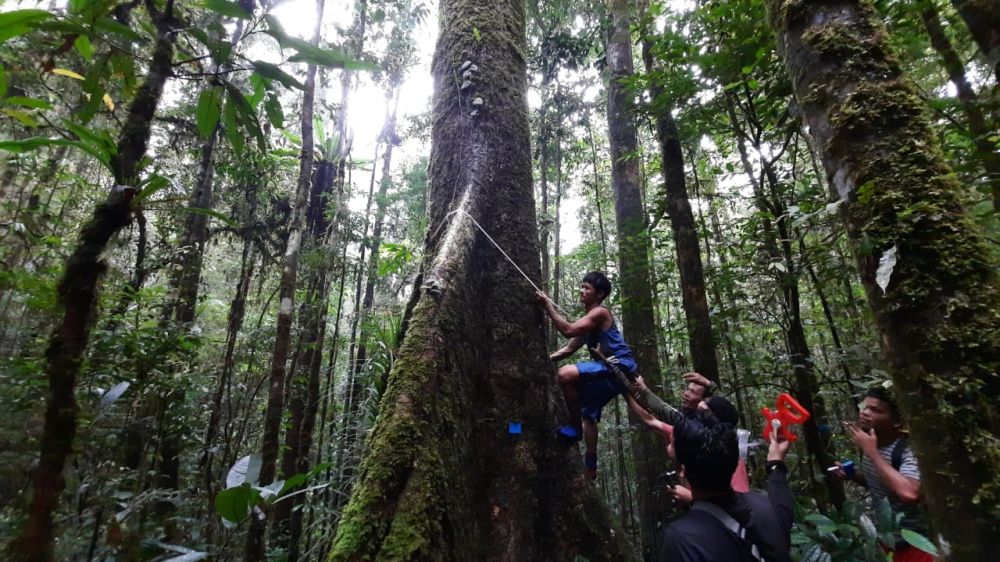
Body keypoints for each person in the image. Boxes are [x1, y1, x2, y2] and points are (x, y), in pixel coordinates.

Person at [536, 271, 636, 478]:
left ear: (599, 294)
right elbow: (568, 349)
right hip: (608, 372)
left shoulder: (600, 313)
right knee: (588, 416)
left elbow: (568, 330)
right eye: (581, 286)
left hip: (619, 366)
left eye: (586, 288)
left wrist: (547, 306)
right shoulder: (589, 321)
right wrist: (544, 361)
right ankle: (591, 465)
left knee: (565, 374)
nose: (581, 291)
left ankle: (574, 426)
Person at [660, 411, 794, 562]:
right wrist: (776, 463)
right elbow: (782, 504)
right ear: (734, 462)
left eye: (672, 443)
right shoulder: (767, 509)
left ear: (683, 471)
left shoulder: (680, 539)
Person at [830, 387, 933, 562]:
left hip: (918, 544)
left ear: (897, 421)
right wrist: (853, 474)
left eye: (876, 410)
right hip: (889, 541)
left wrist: (872, 453)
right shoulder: (871, 444)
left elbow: (910, 493)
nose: (865, 413)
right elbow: (882, 483)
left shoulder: (909, 449)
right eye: (865, 407)